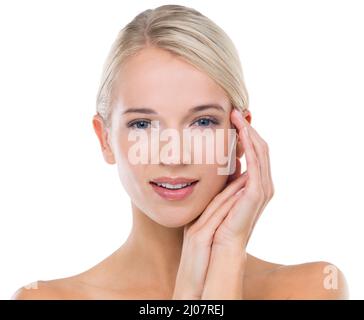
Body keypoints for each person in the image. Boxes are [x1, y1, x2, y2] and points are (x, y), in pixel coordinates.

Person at [13, 4, 348, 300]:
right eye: (143, 125)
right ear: (105, 139)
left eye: (202, 122)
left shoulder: (312, 288)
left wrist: (228, 257)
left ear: (240, 135)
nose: (173, 156)